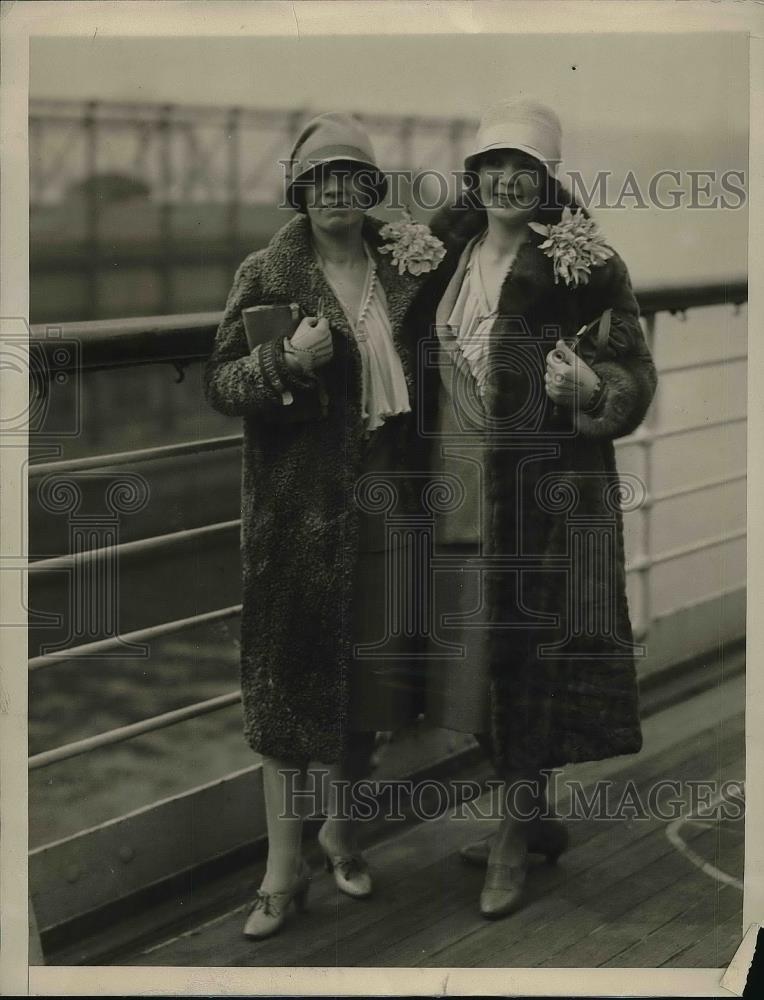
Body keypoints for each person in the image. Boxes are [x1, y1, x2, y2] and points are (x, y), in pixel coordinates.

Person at [406, 98, 658, 919]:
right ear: (474, 178)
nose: (507, 179)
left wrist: (593, 389)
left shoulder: (585, 266)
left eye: (524, 167)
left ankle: (512, 838)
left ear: (545, 180)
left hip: (542, 495)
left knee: (525, 654)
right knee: (471, 661)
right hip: (453, 481)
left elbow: (633, 378)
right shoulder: (442, 257)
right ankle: (536, 816)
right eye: (493, 166)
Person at [204, 112, 432, 939]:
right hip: (295, 515)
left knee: (363, 681)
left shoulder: (409, 267)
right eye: (325, 180)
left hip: (387, 500)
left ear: (372, 191)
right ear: (301, 191)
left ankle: (342, 834)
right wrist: (284, 363)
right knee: (283, 693)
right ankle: (280, 872)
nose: (340, 193)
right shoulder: (266, 270)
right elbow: (224, 382)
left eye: (355, 180)